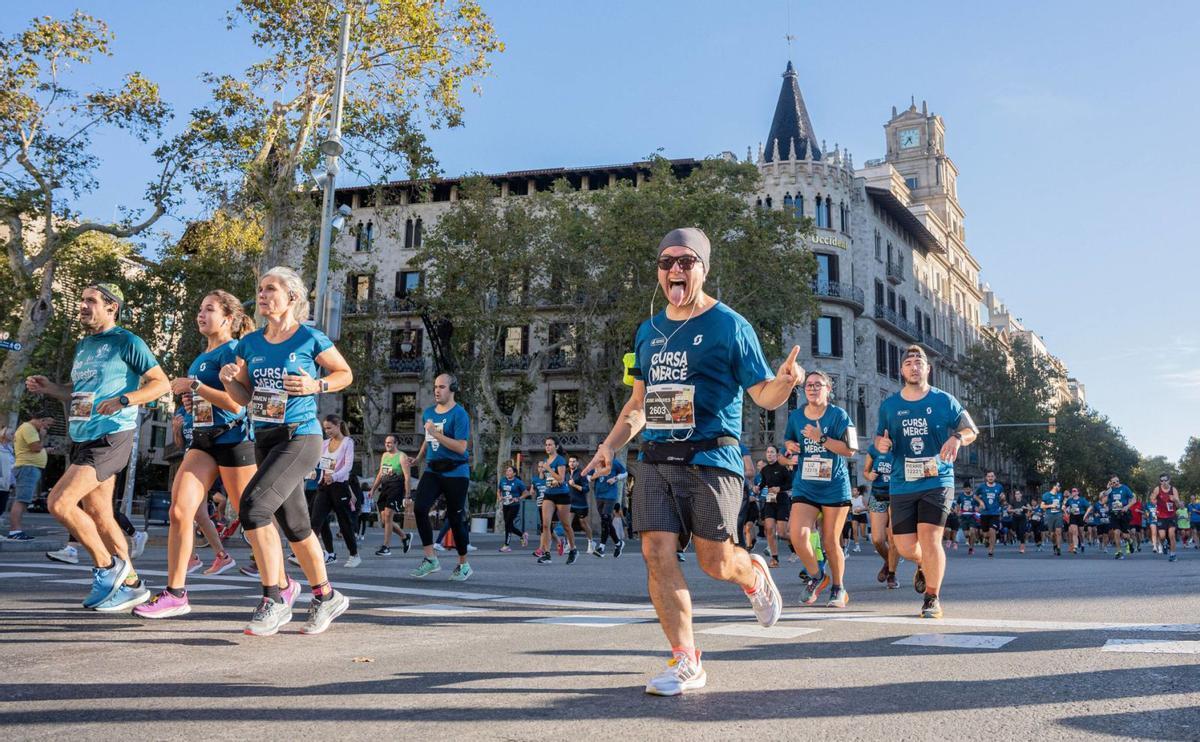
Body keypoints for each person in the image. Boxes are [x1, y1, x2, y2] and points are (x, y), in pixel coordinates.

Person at [582, 227, 795, 696]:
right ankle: (686, 661)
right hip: (656, 458)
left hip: (712, 459)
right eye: (666, 262)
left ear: (704, 267)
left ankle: (752, 573)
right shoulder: (647, 331)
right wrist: (611, 445)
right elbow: (639, 403)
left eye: (686, 261)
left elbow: (763, 393)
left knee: (715, 562)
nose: (675, 269)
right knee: (655, 553)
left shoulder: (730, 325)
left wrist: (786, 383)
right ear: (658, 271)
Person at [218, 266, 352, 635]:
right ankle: (326, 596)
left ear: (292, 296)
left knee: (254, 506)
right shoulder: (250, 344)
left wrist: (315, 385)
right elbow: (245, 399)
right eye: (260, 289)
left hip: (301, 436)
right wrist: (231, 383)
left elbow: (345, 374)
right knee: (294, 524)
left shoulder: (310, 337)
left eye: (270, 289)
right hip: (266, 437)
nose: (262, 295)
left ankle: (274, 598)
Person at [25, 283, 170, 611]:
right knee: (100, 514)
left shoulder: (127, 342)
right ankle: (131, 583)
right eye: (81, 301)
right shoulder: (83, 346)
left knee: (59, 502)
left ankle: (107, 569)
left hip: (111, 434)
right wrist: (51, 389)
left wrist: (124, 400)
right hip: (82, 435)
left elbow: (160, 382)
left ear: (111, 307)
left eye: (91, 301)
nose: (83, 306)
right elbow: (76, 392)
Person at [136, 291, 272, 619]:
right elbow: (204, 400)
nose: (201, 314)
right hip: (201, 441)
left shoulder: (236, 351)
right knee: (180, 511)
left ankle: (278, 584)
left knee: (251, 518)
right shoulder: (200, 357)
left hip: (234, 441)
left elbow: (237, 404)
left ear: (228, 318)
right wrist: (190, 404)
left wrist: (194, 387)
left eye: (208, 309)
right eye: (199, 308)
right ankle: (175, 593)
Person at [874, 344, 978, 620]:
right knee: (906, 547)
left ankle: (932, 597)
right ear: (901, 370)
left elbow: (971, 430)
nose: (914, 366)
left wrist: (957, 438)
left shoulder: (945, 400)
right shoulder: (890, 405)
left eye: (919, 362)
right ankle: (922, 565)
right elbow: (878, 438)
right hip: (902, 482)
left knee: (931, 539)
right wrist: (881, 444)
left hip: (937, 479)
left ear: (927, 369)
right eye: (908, 363)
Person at [785, 370, 857, 608]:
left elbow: (850, 450)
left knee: (829, 540)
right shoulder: (796, 416)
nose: (813, 388)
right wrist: (791, 446)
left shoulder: (839, 415)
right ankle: (818, 576)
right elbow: (788, 440)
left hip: (834, 485)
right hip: (806, 484)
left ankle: (839, 588)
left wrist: (821, 438)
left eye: (818, 384)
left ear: (828, 389)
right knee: (797, 535)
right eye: (808, 385)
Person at [410, 373, 473, 580]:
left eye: (442, 387)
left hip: (456, 471)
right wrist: (418, 458)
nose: (437, 390)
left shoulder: (460, 414)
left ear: (452, 389)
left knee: (455, 519)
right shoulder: (429, 412)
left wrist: (436, 434)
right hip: (433, 469)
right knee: (419, 508)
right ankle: (431, 559)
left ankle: (463, 564)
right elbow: (428, 439)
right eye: (435, 386)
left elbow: (461, 447)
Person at [311, 414, 360, 567]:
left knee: (344, 523)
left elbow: (348, 466)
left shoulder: (347, 442)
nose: (327, 431)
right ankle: (311, 553)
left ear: (338, 426)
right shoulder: (325, 444)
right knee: (316, 520)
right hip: (324, 486)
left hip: (340, 486)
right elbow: (319, 463)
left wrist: (335, 476)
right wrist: (313, 473)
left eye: (329, 428)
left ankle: (354, 554)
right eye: (325, 429)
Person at [7, 410, 55, 541]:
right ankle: (14, 531)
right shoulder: (29, 429)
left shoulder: (28, 428)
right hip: (27, 468)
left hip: (29, 468)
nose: (47, 428)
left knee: (23, 500)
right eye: (47, 425)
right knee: (21, 500)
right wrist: (43, 436)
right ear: (42, 420)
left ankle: (16, 530)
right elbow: (35, 447)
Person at [536, 437, 578, 565]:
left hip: (562, 495)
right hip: (549, 494)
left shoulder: (560, 460)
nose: (547, 447)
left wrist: (548, 469)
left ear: (556, 447)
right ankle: (547, 554)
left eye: (550, 444)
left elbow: (560, 479)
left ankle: (573, 550)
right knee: (545, 525)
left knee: (566, 525)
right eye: (546, 445)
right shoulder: (545, 460)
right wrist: (542, 471)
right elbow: (544, 478)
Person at [863, 442, 898, 588]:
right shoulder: (873, 449)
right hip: (878, 495)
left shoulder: (901, 447)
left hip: (897, 495)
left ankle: (891, 574)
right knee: (877, 539)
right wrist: (869, 475)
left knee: (892, 537)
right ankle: (889, 561)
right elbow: (866, 471)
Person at [371, 434, 413, 556]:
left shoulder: (402, 456)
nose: (387, 445)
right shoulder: (384, 455)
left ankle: (386, 547)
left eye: (390, 443)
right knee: (385, 520)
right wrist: (373, 489)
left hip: (396, 487)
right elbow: (380, 473)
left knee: (389, 515)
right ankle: (404, 537)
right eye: (386, 443)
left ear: (396, 444)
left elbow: (407, 477)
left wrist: (407, 495)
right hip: (385, 488)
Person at [757, 445, 792, 567]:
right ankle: (774, 558)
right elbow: (763, 483)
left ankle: (796, 544)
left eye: (772, 452)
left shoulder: (782, 468)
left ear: (777, 455)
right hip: (769, 501)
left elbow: (790, 483)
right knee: (770, 529)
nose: (769, 454)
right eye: (767, 452)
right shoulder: (764, 470)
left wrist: (780, 488)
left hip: (782, 500)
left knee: (782, 533)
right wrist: (758, 488)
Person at [591, 454, 627, 557]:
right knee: (606, 521)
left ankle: (601, 547)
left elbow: (625, 473)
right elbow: (589, 478)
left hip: (610, 495)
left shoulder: (614, 462)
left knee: (605, 518)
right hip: (598, 495)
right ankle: (618, 543)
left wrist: (615, 478)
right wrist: (596, 474)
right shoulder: (595, 463)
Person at [566, 456, 595, 553]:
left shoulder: (582, 474)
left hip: (581, 504)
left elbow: (586, 489)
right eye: (570, 461)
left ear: (577, 463)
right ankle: (570, 544)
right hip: (570, 504)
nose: (572, 463)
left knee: (584, 524)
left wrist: (574, 485)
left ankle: (591, 543)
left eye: (574, 461)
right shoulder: (566, 473)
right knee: (567, 525)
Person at [496, 465, 527, 552]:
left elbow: (526, 493)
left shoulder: (518, 482)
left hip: (514, 505)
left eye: (509, 471)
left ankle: (506, 545)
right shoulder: (502, 480)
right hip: (505, 504)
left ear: (514, 473)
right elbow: (499, 491)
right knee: (509, 525)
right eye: (507, 471)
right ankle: (522, 535)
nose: (507, 472)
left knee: (508, 525)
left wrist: (518, 498)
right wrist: (499, 497)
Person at [974, 472, 1004, 558]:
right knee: (985, 534)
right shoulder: (982, 487)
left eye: (992, 476)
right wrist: (981, 502)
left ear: (995, 477)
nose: (990, 478)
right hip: (984, 513)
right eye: (989, 476)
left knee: (992, 531)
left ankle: (991, 550)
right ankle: (986, 539)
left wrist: (1002, 498)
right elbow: (975, 496)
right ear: (986, 478)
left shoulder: (999, 487)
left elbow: (1002, 498)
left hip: (995, 513)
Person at [1152, 474, 1182, 562]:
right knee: (1162, 536)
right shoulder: (1157, 489)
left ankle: (1173, 555)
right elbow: (1152, 499)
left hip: (1171, 516)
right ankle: (1164, 544)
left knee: (1171, 535)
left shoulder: (1173, 489)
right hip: (1161, 516)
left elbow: (1178, 506)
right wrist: (1155, 501)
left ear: (1169, 480)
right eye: (1162, 480)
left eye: (1165, 480)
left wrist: (1175, 500)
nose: (1163, 482)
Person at [1105, 476, 1134, 559]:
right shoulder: (1110, 490)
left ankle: (1130, 541)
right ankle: (1119, 552)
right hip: (1114, 514)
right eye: (1113, 482)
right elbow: (1104, 500)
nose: (1116, 483)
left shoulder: (1125, 488)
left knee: (1125, 535)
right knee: (1116, 532)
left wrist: (1127, 507)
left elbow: (1133, 499)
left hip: (1123, 514)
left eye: (1117, 481)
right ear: (1111, 483)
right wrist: (1107, 489)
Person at [1040, 483, 1065, 557]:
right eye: (1058, 486)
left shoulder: (1060, 495)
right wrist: (1050, 505)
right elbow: (1042, 506)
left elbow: (1063, 503)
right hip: (1050, 515)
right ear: (1054, 487)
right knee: (1052, 534)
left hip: (1058, 514)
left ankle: (1059, 548)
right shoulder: (1046, 495)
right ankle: (1054, 544)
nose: (1059, 487)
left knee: (1058, 532)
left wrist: (1063, 506)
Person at [1063, 487, 1089, 555]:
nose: (1073, 492)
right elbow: (1064, 507)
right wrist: (1066, 514)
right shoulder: (1070, 500)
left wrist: (1085, 515)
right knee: (1075, 532)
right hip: (1073, 516)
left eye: (1075, 491)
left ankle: (1082, 543)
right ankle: (1075, 547)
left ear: (1078, 492)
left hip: (1080, 516)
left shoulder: (1082, 500)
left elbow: (1090, 507)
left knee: (1080, 533)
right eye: (1072, 491)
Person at [1006, 489, 1030, 554]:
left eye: (1018, 494)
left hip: (1022, 519)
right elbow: (1008, 510)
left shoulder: (1024, 501)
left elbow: (1030, 508)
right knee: (1015, 531)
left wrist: (1025, 507)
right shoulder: (1013, 502)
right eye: (1016, 494)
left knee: (1022, 532)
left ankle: (1022, 548)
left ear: (1021, 495)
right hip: (1015, 519)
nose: (1017, 495)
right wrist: (1014, 510)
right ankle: (1017, 536)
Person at [849, 485, 868, 553]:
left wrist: (861, 510)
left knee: (863, 534)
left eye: (854, 490)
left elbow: (867, 508)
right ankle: (857, 546)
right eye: (852, 490)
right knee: (854, 531)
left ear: (858, 492)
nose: (852, 492)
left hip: (862, 515)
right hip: (855, 516)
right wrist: (850, 510)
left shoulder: (861, 498)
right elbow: (850, 509)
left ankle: (869, 537)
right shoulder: (851, 499)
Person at [0, 427, 13, 527]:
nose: (13, 435)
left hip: (6, 483)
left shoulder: (11, 450)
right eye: (11, 433)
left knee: (1, 507)